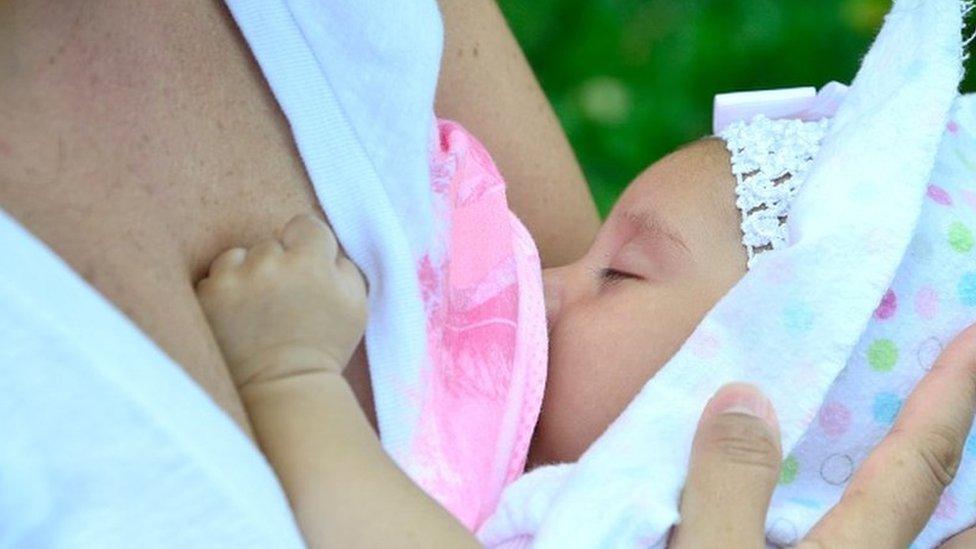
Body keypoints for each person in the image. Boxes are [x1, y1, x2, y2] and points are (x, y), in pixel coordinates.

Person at [1, 0, 974, 547]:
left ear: (779, 411)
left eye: (618, 276)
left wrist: (292, 383)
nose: (538, 279)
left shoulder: (630, 522)